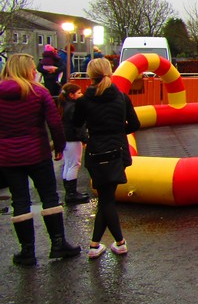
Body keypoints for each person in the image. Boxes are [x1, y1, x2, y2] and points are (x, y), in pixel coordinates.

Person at [0, 54, 82, 265]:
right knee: (49, 197)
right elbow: (55, 122)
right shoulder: (38, 92)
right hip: (37, 152)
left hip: (8, 156)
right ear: (28, 70)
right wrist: (59, 147)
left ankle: (27, 250)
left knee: (20, 200)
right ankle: (58, 243)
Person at [74, 58, 140, 258]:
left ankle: (97, 245)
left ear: (90, 75)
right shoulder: (121, 97)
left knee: (105, 198)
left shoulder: (84, 100)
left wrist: (87, 137)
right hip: (116, 151)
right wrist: (119, 131)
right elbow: (135, 124)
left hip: (96, 152)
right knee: (107, 199)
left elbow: (76, 123)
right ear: (109, 72)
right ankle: (117, 243)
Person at [56, 83, 90, 204]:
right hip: (73, 139)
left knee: (68, 164)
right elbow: (78, 126)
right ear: (71, 95)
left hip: (66, 139)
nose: (81, 95)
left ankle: (69, 191)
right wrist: (85, 139)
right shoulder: (74, 107)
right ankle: (72, 194)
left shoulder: (64, 106)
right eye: (79, 93)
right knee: (74, 164)